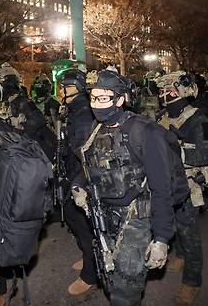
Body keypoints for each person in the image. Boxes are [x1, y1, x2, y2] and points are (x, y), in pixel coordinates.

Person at [72, 69, 177, 306]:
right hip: (104, 215)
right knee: (109, 276)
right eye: (93, 98)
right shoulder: (95, 129)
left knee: (126, 289)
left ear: (120, 100)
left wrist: (161, 238)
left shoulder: (145, 132)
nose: (96, 105)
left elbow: (162, 188)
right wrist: (78, 186)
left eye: (103, 98)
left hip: (136, 219)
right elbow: (88, 166)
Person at [154, 71, 208, 305]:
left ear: (182, 91)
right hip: (165, 183)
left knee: (189, 233)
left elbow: (206, 153)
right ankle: (179, 256)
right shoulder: (163, 116)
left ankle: (192, 281)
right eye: (162, 91)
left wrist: (174, 151)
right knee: (171, 225)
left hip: (188, 185)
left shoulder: (200, 120)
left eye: (168, 90)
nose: (163, 95)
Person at [55, 68, 97, 296]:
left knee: (85, 224)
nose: (63, 90)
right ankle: (87, 253)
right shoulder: (72, 109)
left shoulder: (82, 112)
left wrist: (77, 182)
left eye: (67, 86)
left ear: (79, 87)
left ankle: (91, 272)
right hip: (70, 171)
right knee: (74, 219)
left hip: (80, 175)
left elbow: (82, 152)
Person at [0, 63, 56, 158]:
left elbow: (39, 124)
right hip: (21, 151)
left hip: (31, 152)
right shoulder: (6, 103)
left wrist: (19, 127)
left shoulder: (24, 103)